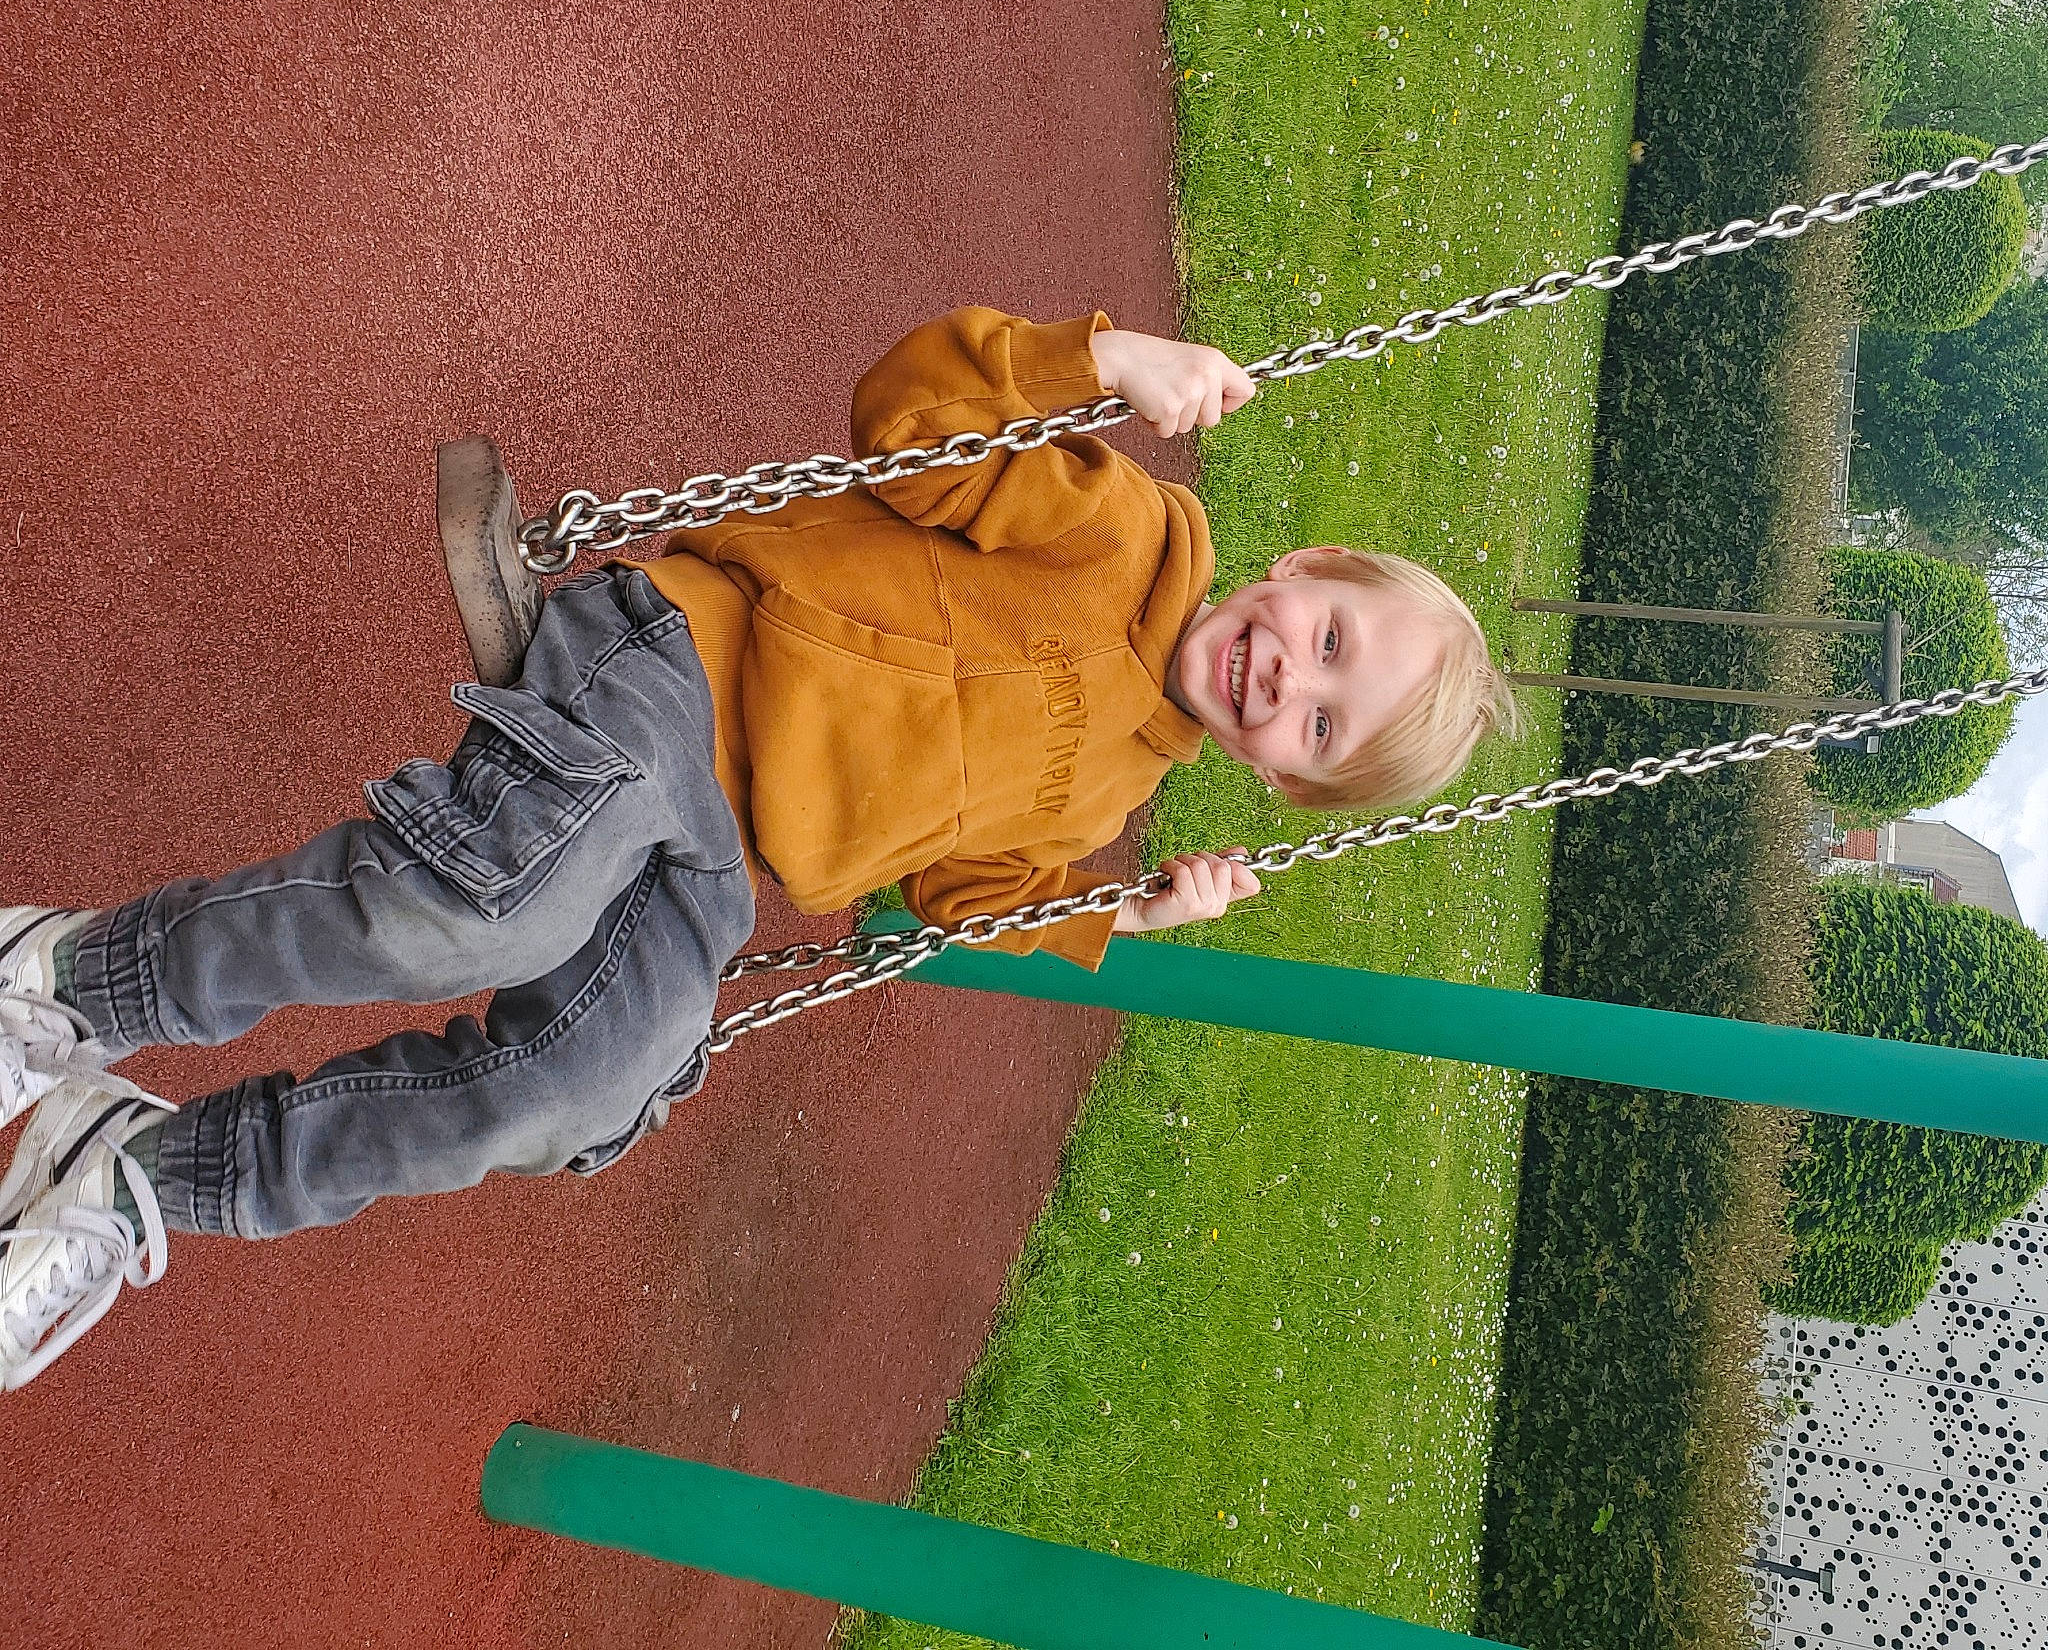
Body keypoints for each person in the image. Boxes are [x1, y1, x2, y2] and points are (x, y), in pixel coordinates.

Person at [0, 308, 1518, 1389]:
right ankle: (73, 986)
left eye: (1319, 722)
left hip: (722, 867)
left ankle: (145, 1175)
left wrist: (1122, 910)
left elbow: (955, 900)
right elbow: (913, 427)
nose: (1286, 678)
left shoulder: (1106, 803)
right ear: (1303, 569)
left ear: (1278, 780)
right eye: (1323, 639)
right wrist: (1102, 365)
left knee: (583, 1088)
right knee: (497, 910)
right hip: (679, 668)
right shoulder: (1115, 528)